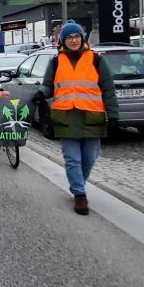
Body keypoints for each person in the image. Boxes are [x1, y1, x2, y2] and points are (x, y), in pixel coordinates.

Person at [39, 21, 119, 215]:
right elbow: (48, 85)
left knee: (89, 158)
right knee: (72, 158)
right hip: (66, 115)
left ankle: (78, 184)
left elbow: (108, 89)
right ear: (63, 41)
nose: (73, 40)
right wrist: (40, 93)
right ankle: (80, 194)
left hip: (92, 115)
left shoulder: (96, 60)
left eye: (76, 36)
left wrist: (113, 114)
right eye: (69, 37)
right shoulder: (56, 61)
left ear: (82, 38)